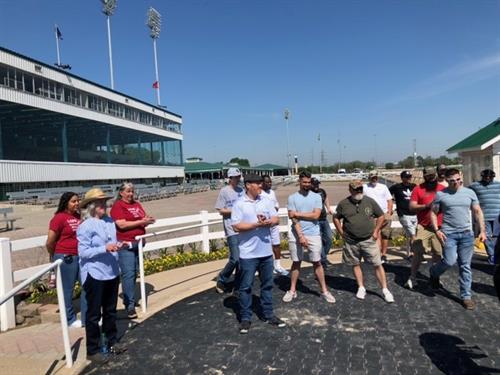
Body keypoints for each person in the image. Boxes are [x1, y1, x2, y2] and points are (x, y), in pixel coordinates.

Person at [231, 174, 286, 334]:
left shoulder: (266, 201)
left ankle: (268, 314)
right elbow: (236, 226)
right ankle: (245, 318)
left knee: (267, 285)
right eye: (257, 184)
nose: (260, 186)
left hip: (266, 252)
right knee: (245, 287)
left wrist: (269, 222)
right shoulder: (239, 204)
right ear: (248, 185)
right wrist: (256, 224)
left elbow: (275, 219)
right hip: (248, 254)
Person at [78, 188, 127, 364]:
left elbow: (111, 242)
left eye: (104, 202)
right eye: (99, 203)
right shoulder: (85, 226)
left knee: (110, 310)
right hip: (95, 273)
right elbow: (83, 252)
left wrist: (118, 245)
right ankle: (92, 349)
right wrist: (103, 248)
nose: (103, 206)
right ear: (90, 206)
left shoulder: (109, 222)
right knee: (93, 314)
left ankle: (111, 341)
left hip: (111, 272)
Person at [429, 168, 486, 310]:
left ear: (460, 177)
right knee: (449, 261)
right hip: (449, 234)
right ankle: (434, 272)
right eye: (452, 181)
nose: (455, 183)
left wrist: (482, 231)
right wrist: (437, 230)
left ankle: (466, 297)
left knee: (465, 266)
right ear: (446, 181)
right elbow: (433, 213)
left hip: (467, 234)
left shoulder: (469, 193)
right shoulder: (441, 195)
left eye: (457, 180)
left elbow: (478, 211)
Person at [333, 180, 395, 303]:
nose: (359, 192)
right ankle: (361, 287)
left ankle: (385, 290)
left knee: (377, 264)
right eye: (356, 190)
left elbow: (381, 216)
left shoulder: (369, 201)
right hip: (351, 241)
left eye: (360, 189)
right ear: (350, 190)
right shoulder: (343, 204)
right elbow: (335, 217)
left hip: (368, 240)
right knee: (355, 264)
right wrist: (341, 232)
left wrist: (376, 231)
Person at [282, 171, 336, 303]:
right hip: (296, 234)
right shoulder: (292, 197)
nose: (307, 184)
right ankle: (292, 290)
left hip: (313, 234)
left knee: (317, 262)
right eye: (304, 182)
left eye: (308, 182)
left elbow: (316, 216)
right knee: (296, 262)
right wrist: (300, 235)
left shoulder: (317, 197)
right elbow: (292, 218)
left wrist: (298, 213)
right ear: (299, 181)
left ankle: (324, 291)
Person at [110, 182, 156, 319]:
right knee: (128, 273)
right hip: (126, 244)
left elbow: (142, 218)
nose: (131, 194)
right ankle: (129, 306)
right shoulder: (118, 206)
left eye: (132, 191)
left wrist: (147, 220)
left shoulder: (136, 204)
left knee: (134, 271)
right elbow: (122, 224)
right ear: (121, 192)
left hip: (138, 243)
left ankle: (128, 298)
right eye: (128, 191)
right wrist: (142, 222)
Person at [46, 192, 86, 328]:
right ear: (66, 203)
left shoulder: (77, 216)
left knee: (86, 285)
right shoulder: (59, 218)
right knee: (67, 289)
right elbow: (50, 241)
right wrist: (55, 255)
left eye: (77, 201)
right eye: (73, 201)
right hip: (65, 257)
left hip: (80, 255)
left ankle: (87, 317)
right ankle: (69, 319)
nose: (76, 203)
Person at [405, 167, 445, 289]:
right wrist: (426, 206)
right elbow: (412, 207)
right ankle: (412, 277)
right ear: (424, 176)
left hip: (439, 227)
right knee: (418, 252)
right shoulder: (418, 189)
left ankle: (435, 277)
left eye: (432, 176)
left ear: (436, 175)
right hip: (424, 226)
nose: (431, 178)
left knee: (438, 254)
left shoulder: (443, 189)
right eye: (428, 176)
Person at [215, 167, 244, 293]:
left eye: (239, 177)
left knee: (242, 258)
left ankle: (238, 284)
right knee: (235, 258)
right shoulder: (224, 191)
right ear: (230, 178)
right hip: (231, 228)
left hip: (242, 228)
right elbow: (220, 210)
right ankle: (222, 279)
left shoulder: (242, 191)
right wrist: (234, 211)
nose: (238, 179)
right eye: (235, 177)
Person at [468, 169, 500, 264]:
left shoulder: (498, 185)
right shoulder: (475, 186)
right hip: (483, 217)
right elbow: (465, 193)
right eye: (485, 177)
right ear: (482, 176)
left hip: (498, 217)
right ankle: (492, 256)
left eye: (490, 177)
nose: (487, 178)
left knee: (497, 237)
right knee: (486, 238)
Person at [260, 175, 288, 276]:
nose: (270, 184)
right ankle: (268, 266)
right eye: (267, 182)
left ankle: (278, 265)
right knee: (266, 245)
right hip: (264, 224)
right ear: (262, 183)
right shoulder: (259, 194)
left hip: (274, 223)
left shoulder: (272, 193)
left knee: (276, 244)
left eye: (270, 182)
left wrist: (273, 215)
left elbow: (276, 205)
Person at [364, 171, 393, 263]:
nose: (374, 179)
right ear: (369, 178)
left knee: (385, 235)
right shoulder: (365, 187)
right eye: (372, 177)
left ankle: (383, 254)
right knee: (376, 234)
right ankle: (377, 255)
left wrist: (389, 211)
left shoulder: (383, 187)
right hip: (372, 215)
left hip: (384, 214)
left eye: (375, 177)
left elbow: (389, 200)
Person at [389, 171, 417, 259]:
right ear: (402, 178)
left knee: (411, 234)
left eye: (410, 177)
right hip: (403, 214)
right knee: (413, 234)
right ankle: (415, 254)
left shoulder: (414, 186)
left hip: (415, 214)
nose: (409, 178)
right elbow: (387, 196)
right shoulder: (396, 187)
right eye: (407, 177)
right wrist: (391, 204)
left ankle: (409, 253)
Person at [311, 177, 334, 268]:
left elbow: (326, 199)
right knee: (319, 240)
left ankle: (322, 256)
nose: (316, 186)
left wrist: (328, 208)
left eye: (317, 184)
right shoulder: (308, 193)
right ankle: (323, 260)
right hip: (315, 220)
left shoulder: (321, 191)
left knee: (329, 239)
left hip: (324, 218)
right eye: (315, 184)